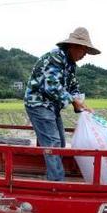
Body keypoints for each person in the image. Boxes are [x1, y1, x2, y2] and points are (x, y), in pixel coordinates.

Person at [24, 27, 100, 181]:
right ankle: (56, 182)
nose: (85, 54)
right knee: (53, 143)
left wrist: (82, 105)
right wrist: (73, 101)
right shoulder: (56, 58)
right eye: (83, 50)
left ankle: (53, 175)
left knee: (61, 142)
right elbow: (51, 86)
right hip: (39, 103)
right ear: (73, 46)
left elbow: (73, 87)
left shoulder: (70, 64)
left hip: (52, 106)